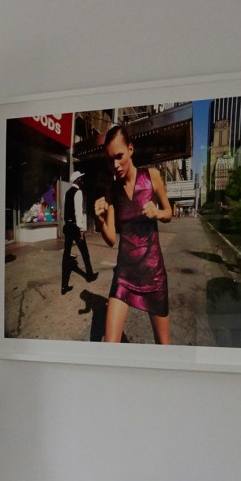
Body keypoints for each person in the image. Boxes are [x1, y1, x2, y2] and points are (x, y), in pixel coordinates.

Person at [93, 124, 173, 343]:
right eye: (110, 160)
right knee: (109, 345)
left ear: (130, 149)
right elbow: (110, 239)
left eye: (119, 156)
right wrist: (99, 219)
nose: (115, 165)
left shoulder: (152, 176)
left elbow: (169, 213)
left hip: (153, 273)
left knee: (163, 346)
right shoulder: (113, 190)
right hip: (124, 275)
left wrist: (156, 212)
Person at [60, 170, 98, 295]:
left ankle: (64, 286)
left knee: (66, 255)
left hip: (68, 225)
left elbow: (66, 210)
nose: (82, 180)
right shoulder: (78, 192)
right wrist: (81, 230)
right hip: (76, 227)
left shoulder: (66, 193)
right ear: (76, 180)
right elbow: (78, 212)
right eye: (80, 179)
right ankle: (90, 275)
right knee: (85, 253)